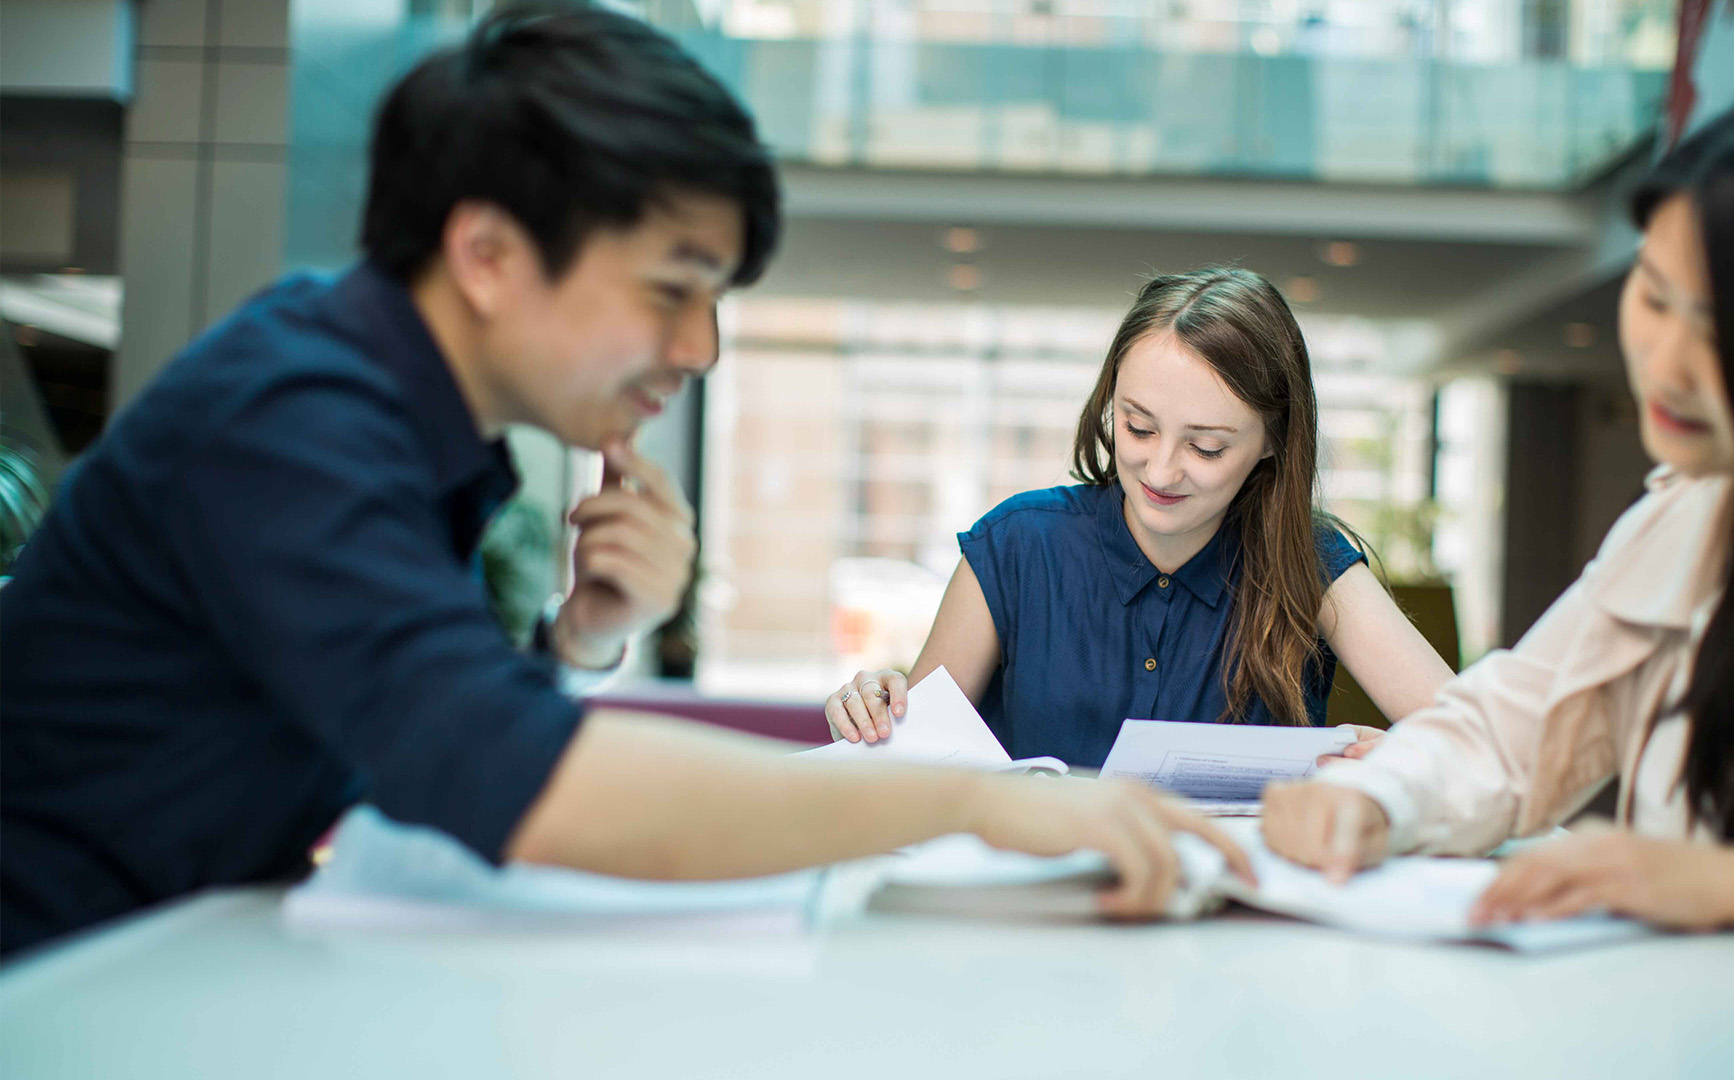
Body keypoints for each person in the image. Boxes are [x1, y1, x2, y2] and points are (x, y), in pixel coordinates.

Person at [0, 6, 1250, 958]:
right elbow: (517, 784)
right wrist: (990, 809)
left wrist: (581, 635)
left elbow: (410, 732)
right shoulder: (294, 418)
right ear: (487, 252)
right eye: (671, 289)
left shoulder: (396, 423)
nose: (700, 349)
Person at [1263, 70, 1734, 961]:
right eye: (1653, 296)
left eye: (1726, 328)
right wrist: (1378, 803)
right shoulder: (1691, 513)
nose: (1666, 363)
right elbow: (1512, 725)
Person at [825, 268, 1457, 768]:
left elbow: (1477, 741)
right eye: (1138, 427)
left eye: (1206, 447)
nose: (1159, 471)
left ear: (1272, 442)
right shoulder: (1019, 545)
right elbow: (911, 759)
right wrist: (877, 710)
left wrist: (1411, 760)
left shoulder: (1312, 564)